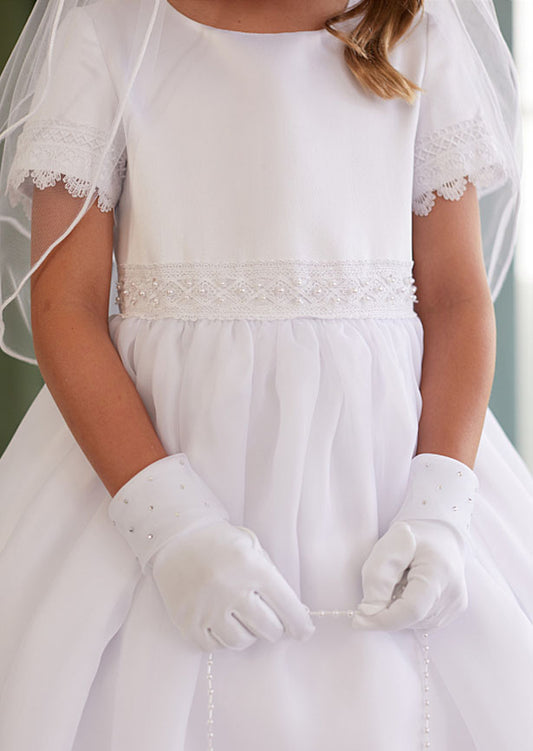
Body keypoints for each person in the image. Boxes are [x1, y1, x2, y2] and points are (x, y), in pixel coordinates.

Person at [0, 0, 531, 749]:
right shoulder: (109, 35)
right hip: (149, 455)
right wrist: (168, 526)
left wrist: (442, 506)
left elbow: (456, 299)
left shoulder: (419, 36)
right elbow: (66, 307)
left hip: (384, 474)